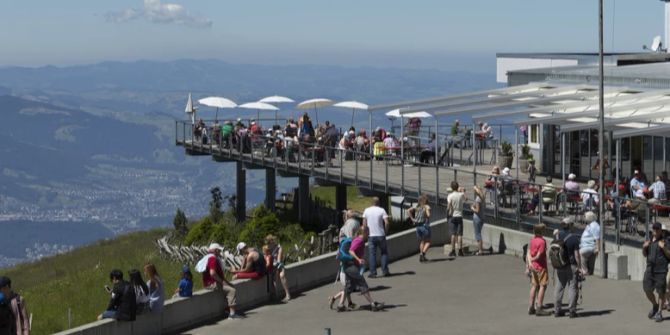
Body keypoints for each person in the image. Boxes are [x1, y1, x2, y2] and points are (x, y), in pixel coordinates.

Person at [338, 227, 385, 312]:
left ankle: (340, 305)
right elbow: (351, 251)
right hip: (351, 266)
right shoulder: (359, 241)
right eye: (368, 232)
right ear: (364, 232)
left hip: (347, 266)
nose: (369, 234)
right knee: (362, 284)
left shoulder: (358, 240)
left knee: (349, 286)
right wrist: (358, 259)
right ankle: (373, 304)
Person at [201, 243, 241, 319]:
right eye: (219, 251)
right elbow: (212, 273)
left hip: (209, 282)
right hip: (212, 283)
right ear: (215, 250)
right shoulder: (213, 259)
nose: (220, 252)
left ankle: (228, 309)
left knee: (231, 286)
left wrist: (225, 281)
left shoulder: (208, 257)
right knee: (232, 290)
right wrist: (222, 282)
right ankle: (232, 314)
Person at [553, 218, 583, 318]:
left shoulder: (557, 235)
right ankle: (572, 311)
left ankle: (557, 310)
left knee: (559, 287)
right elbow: (577, 255)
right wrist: (579, 267)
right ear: (570, 225)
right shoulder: (574, 238)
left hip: (559, 265)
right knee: (572, 287)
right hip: (571, 265)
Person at [643, 222, 670, 322]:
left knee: (661, 291)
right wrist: (644, 247)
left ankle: (659, 312)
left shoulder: (665, 241)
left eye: (657, 229)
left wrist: (664, 248)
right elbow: (645, 255)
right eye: (654, 228)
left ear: (660, 230)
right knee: (647, 289)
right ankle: (655, 305)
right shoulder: (649, 240)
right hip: (650, 270)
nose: (655, 230)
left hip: (661, 270)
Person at [525, 224, 550, 316]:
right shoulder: (542, 241)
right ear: (542, 231)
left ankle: (531, 307)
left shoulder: (532, 240)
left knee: (534, 285)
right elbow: (539, 255)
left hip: (533, 267)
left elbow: (528, 253)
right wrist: (534, 259)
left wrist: (529, 263)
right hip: (541, 266)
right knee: (543, 286)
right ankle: (539, 307)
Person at [362, 197, 391, 278]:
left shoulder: (366, 210)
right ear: (379, 202)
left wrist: (365, 234)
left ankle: (373, 273)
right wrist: (385, 232)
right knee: (384, 253)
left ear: (371, 202)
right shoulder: (382, 210)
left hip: (371, 235)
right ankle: (385, 271)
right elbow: (387, 223)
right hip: (381, 235)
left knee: (372, 254)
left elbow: (364, 224)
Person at [264, 235, 291, 303]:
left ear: (272, 242)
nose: (268, 245)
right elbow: (265, 256)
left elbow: (279, 260)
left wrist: (276, 265)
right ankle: (276, 295)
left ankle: (287, 294)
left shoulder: (279, 248)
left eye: (269, 243)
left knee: (282, 275)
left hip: (279, 265)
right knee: (274, 276)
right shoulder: (267, 248)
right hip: (271, 266)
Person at [408, 194, 432, 262]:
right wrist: (427, 210)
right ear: (425, 200)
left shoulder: (416, 206)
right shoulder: (426, 206)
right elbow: (429, 215)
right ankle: (423, 254)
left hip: (418, 226)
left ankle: (421, 255)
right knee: (428, 242)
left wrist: (412, 219)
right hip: (424, 226)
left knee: (422, 241)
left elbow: (408, 211)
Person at [447, 181, 466, 257]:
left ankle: (453, 250)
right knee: (460, 234)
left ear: (451, 187)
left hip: (453, 216)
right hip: (460, 215)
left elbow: (448, 207)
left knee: (453, 234)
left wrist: (450, 211)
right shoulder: (461, 195)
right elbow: (466, 198)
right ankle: (460, 251)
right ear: (458, 187)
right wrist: (463, 191)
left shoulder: (450, 196)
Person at [579, 211, 601, 276]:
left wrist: (597, 248)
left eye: (585, 216)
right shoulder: (590, 224)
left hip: (590, 246)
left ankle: (584, 270)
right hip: (586, 245)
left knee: (581, 253)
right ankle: (588, 270)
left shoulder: (594, 225)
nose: (584, 218)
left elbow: (597, 238)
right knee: (587, 257)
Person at [471, 185, 486, 256]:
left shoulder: (478, 199)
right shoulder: (482, 197)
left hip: (477, 218)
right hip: (482, 217)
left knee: (478, 234)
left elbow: (477, 210)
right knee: (479, 233)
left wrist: (472, 208)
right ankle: (480, 249)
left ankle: (480, 250)